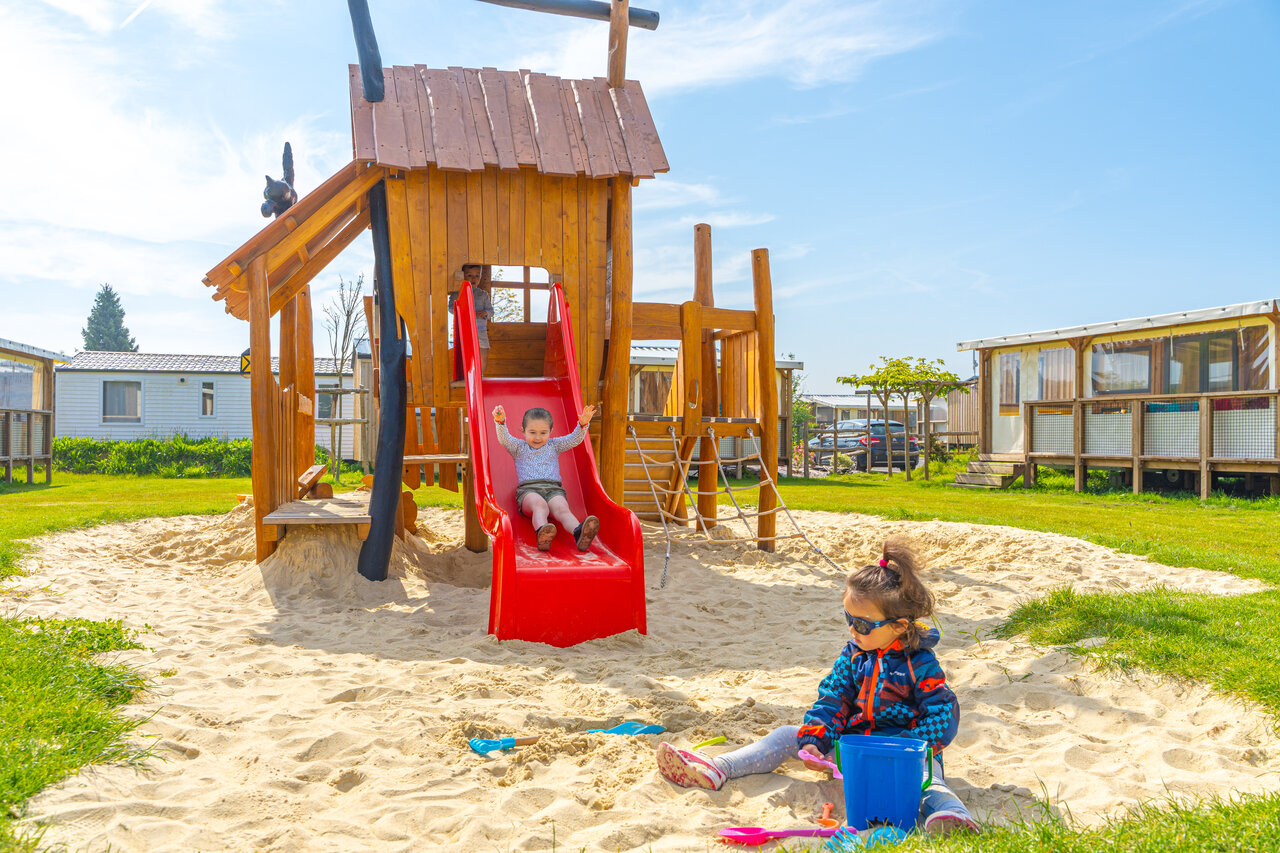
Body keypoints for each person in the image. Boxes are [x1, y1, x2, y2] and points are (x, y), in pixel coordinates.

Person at [654, 537, 978, 836]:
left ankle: (952, 813)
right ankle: (717, 767)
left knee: (928, 777)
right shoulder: (853, 656)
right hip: (852, 751)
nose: (852, 629)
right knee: (785, 736)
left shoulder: (920, 664)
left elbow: (942, 714)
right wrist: (815, 739)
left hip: (903, 757)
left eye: (862, 624)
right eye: (848, 618)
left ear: (899, 626)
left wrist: (910, 748)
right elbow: (833, 699)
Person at [492, 403, 600, 552]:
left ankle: (578, 532)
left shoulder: (554, 445)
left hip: (553, 490)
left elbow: (574, 440)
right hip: (529, 491)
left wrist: (583, 424)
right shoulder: (518, 448)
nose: (538, 437)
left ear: (550, 432)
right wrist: (500, 422)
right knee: (540, 506)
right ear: (523, 431)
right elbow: (505, 439)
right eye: (532, 432)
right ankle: (542, 533)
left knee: (563, 509)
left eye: (543, 433)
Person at [448, 264, 492, 373]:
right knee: (465, 354)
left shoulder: (483, 294)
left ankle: (480, 376)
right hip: (464, 330)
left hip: (480, 330)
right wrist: (465, 311)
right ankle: (466, 375)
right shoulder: (457, 293)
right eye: (470, 275)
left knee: (483, 352)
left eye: (477, 276)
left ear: (481, 277)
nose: (474, 278)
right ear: (464, 277)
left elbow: (491, 311)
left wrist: (485, 312)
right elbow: (451, 308)